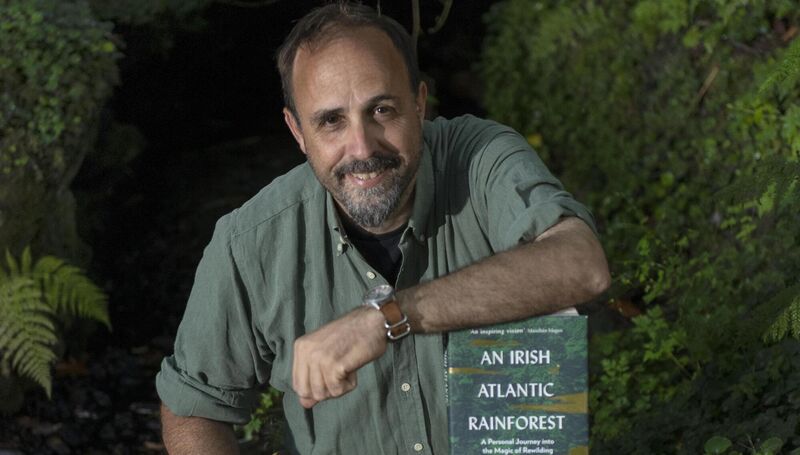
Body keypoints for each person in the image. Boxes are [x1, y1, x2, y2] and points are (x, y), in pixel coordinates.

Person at [156, 2, 610, 454]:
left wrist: (385, 319)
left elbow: (582, 265)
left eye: (382, 111)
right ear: (297, 132)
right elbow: (194, 406)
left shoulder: (481, 158)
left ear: (419, 103)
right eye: (331, 121)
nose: (361, 148)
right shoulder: (249, 242)